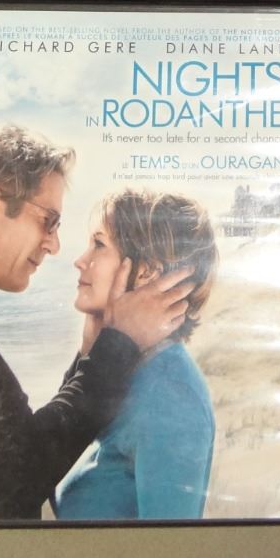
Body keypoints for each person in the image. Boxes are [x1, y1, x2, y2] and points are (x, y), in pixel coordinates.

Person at [0, 125, 195, 521]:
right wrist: (116, 346)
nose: (56, 245)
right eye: (48, 221)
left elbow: (13, 454)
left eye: (99, 245)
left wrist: (91, 356)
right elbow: (10, 480)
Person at [55, 190, 220, 520]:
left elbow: (169, 543)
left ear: (146, 273)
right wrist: (93, 348)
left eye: (99, 244)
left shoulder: (171, 395)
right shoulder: (131, 371)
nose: (80, 260)